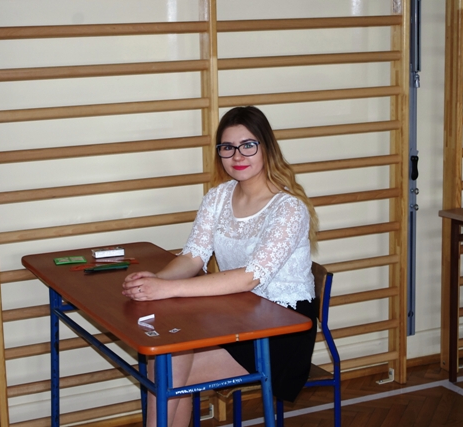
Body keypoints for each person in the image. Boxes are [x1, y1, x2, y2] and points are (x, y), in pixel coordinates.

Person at [122, 106, 319, 427]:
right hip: (237, 312)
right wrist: (154, 281)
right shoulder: (218, 196)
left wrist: (166, 289)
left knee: (167, 372)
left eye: (248, 145)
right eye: (228, 147)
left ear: (267, 147)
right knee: (171, 359)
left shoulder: (289, 209)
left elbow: (250, 277)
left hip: (284, 326)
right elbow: (193, 256)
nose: (237, 156)